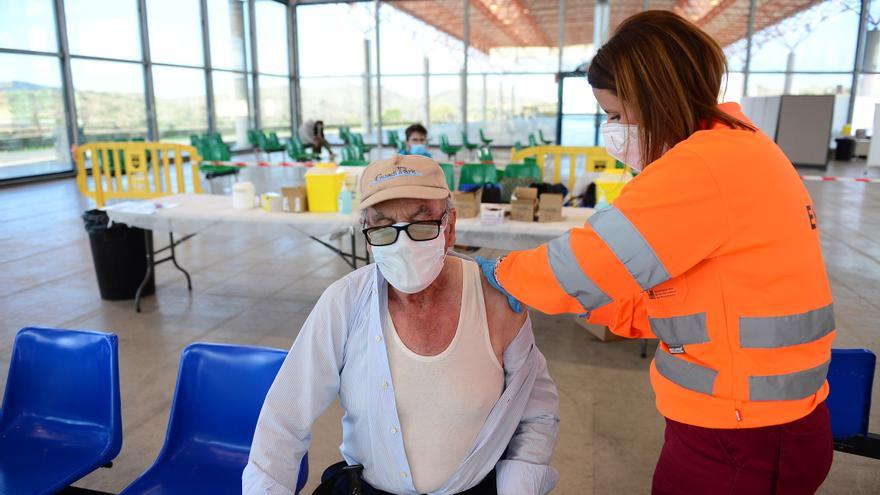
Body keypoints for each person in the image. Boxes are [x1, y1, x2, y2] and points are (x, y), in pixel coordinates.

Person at [477, 11, 834, 495]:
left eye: (616, 116)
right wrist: (598, 306)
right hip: (767, 424)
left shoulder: (703, 167)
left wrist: (501, 272)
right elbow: (691, 301)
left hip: (741, 441)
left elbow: (583, 265)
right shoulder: (744, 151)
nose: (614, 131)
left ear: (653, 97)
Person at [244, 154, 560, 495]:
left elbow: (536, 411)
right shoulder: (345, 303)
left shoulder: (495, 301)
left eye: (421, 225)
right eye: (382, 228)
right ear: (367, 237)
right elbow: (284, 418)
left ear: (450, 226)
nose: (403, 245)